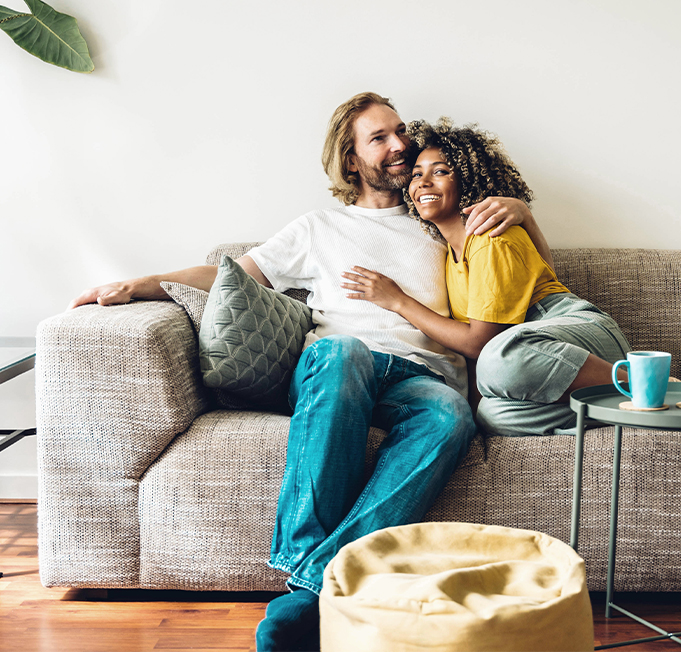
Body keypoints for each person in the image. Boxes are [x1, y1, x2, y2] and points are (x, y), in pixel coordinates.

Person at [69, 93, 552, 652]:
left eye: (400, 132)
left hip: (421, 375)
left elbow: (527, 264)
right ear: (351, 161)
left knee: (449, 417)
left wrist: (522, 210)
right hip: (338, 362)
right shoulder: (320, 227)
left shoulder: (435, 216)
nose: (400, 145)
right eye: (380, 138)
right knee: (343, 352)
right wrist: (139, 284)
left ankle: (312, 582)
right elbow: (230, 276)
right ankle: (314, 578)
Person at [342, 118, 632, 437]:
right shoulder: (449, 255)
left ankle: (645, 383)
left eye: (440, 171)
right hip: (534, 359)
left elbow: (479, 344)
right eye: (416, 174)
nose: (423, 182)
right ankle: (619, 407)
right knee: (492, 415)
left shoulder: (489, 237)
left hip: (578, 336)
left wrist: (398, 301)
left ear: (467, 179)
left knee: (496, 358)